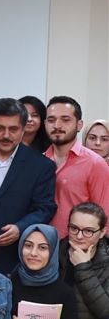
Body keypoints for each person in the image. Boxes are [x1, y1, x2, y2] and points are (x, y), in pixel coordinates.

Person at [0, 97, 58, 273]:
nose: (6, 135)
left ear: (23, 129)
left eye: (13, 129)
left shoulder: (41, 166)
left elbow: (44, 208)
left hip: (10, 255)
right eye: (0, 128)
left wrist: (20, 227)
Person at [45, 96, 109, 236]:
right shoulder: (38, 161)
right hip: (41, 244)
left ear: (79, 125)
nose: (57, 125)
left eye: (65, 120)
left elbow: (105, 217)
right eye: (51, 120)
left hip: (77, 245)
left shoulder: (95, 163)